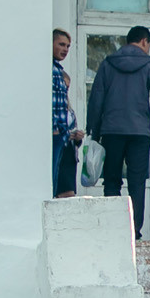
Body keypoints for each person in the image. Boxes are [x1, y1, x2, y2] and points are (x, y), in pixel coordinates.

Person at [86, 24, 150, 237]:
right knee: (137, 183)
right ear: (144, 41)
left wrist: (94, 131)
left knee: (111, 181)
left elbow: (96, 99)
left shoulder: (107, 64)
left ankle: (112, 231)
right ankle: (134, 233)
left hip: (111, 132)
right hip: (139, 133)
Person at [51, 29, 83, 197]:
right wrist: (56, 130)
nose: (65, 49)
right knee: (53, 184)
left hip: (64, 139)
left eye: (68, 46)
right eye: (61, 44)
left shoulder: (57, 69)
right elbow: (52, 104)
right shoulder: (52, 70)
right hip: (56, 136)